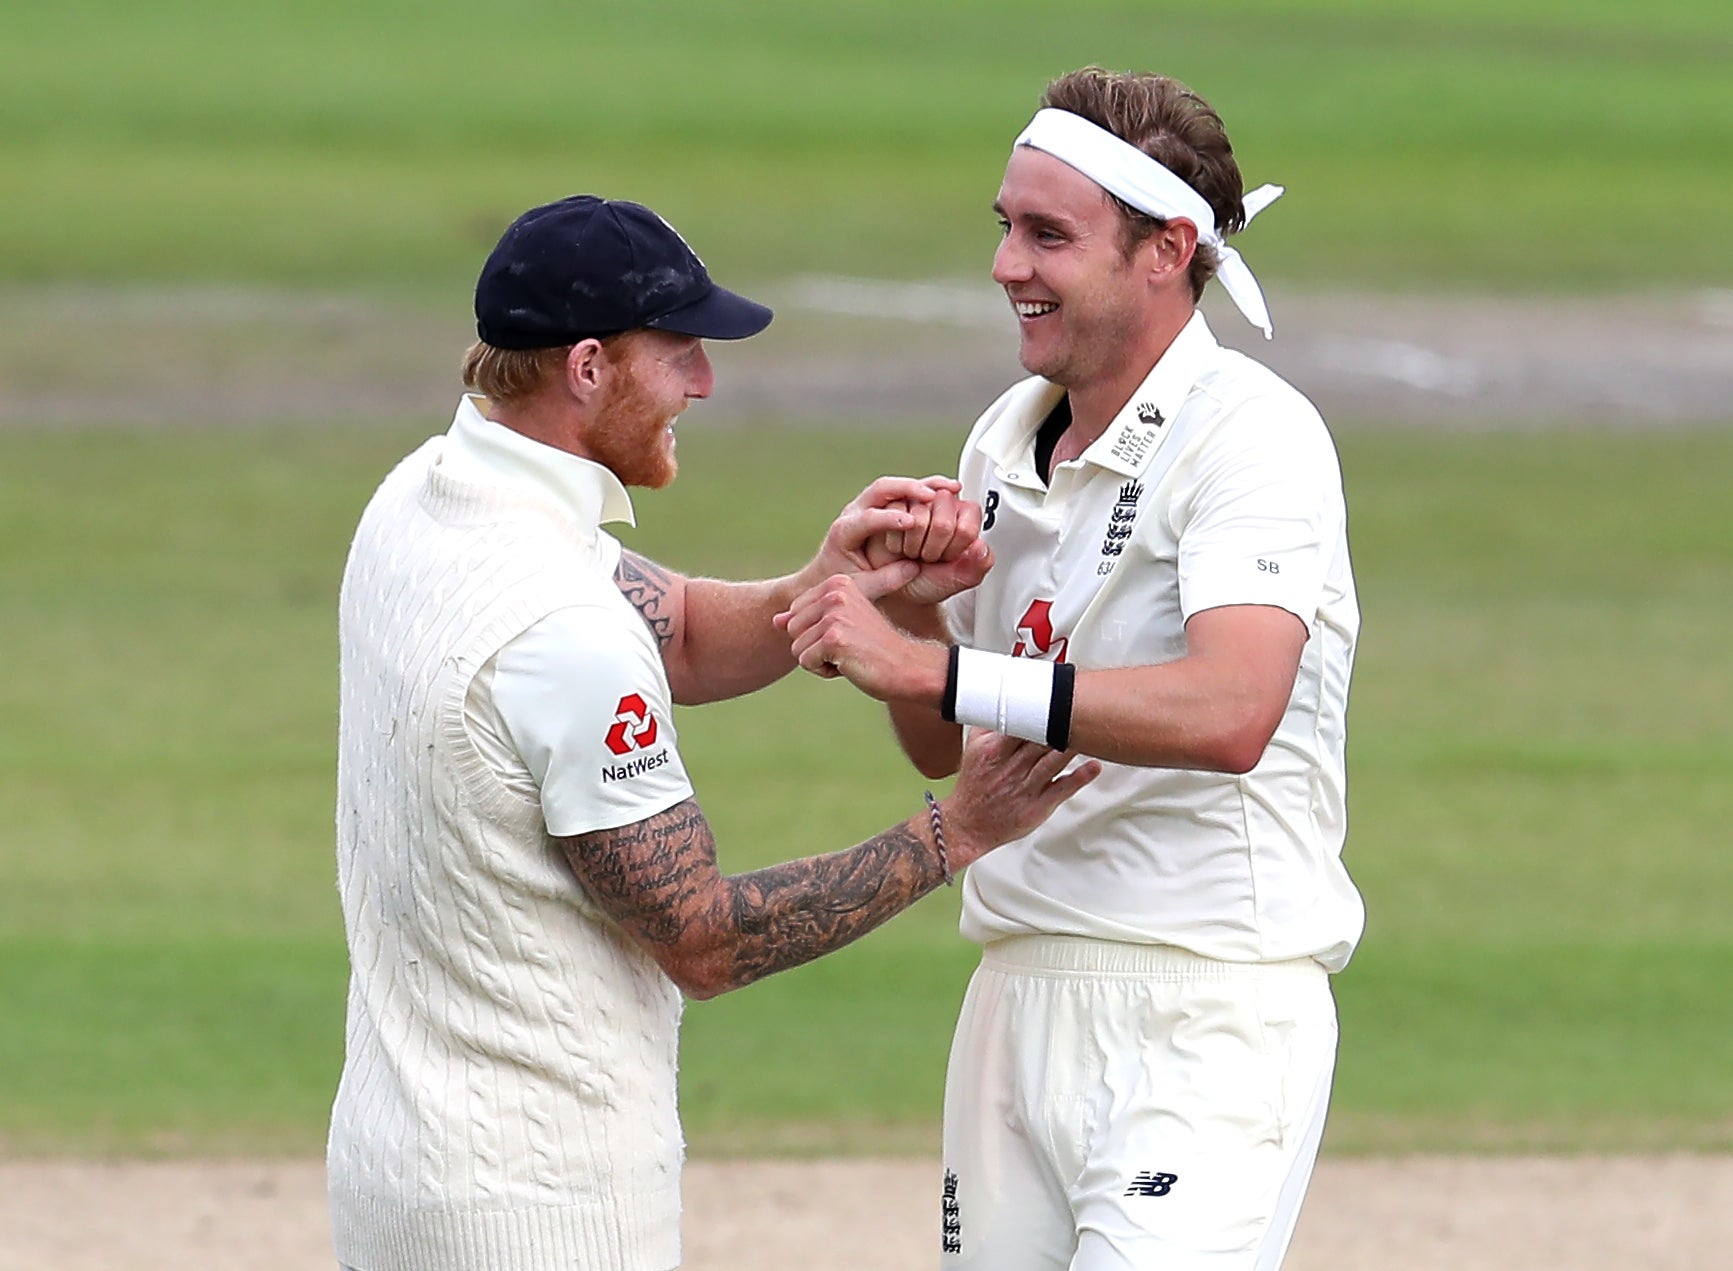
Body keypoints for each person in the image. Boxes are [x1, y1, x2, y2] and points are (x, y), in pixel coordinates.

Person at [327, 193, 1100, 1271]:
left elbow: (679, 632)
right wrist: (956, 830)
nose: (703, 380)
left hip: (395, 1174)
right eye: (678, 350)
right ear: (587, 365)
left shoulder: (424, 498)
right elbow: (701, 938)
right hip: (538, 1209)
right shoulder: (561, 629)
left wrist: (830, 582)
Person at [777, 68, 1363, 1268]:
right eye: (1004, 226)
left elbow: (1233, 708)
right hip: (1012, 992)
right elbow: (951, 747)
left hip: (1205, 997)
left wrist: (932, 673)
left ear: (1166, 250)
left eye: (1048, 235)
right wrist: (923, 630)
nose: (1006, 265)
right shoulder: (1002, 437)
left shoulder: (1250, 435)